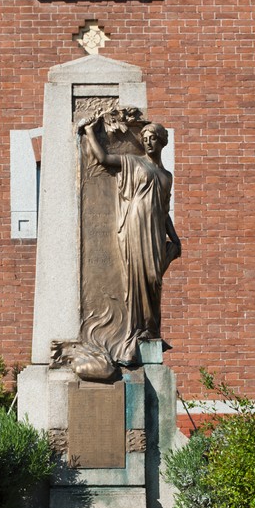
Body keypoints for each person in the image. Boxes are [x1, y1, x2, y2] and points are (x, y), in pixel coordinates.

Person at [78, 115, 182, 362]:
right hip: (135, 225)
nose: (148, 143)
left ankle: (151, 329)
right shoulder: (134, 163)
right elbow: (103, 159)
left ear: (162, 143)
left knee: (154, 278)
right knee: (139, 277)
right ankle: (138, 330)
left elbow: (164, 211)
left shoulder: (166, 176)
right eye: (145, 139)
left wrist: (175, 238)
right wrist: (91, 133)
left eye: (153, 139)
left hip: (155, 229)